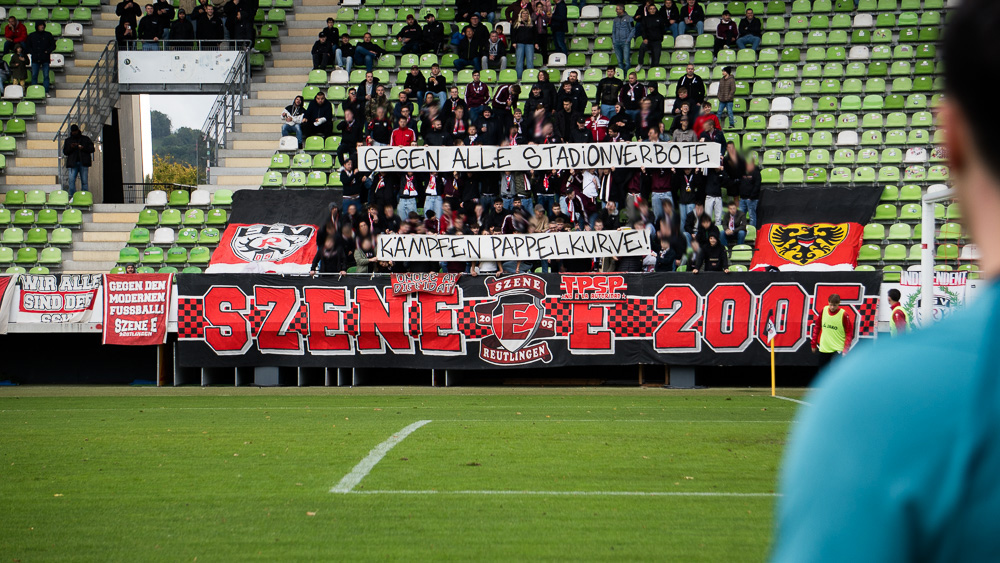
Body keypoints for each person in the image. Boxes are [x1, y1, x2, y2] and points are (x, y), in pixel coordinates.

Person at [808, 293, 854, 371]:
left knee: (836, 371)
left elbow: (849, 332)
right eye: (831, 305)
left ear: (839, 304)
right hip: (825, 347)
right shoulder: (824, 310)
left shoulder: (843, 314)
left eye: (835, 305)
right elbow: (817, 327)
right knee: (822, 371)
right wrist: (813, 343)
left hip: (838, 348)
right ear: (828, 302)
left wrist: (846, 349)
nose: (832, 307)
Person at [62, 124, 95, 196]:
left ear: (78, 130)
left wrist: (83, 148)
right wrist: (71, 147)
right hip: (73, 163)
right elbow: (65, 152)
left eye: (75, 131)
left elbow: (92, 149)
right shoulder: (68, 141)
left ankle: (83, 197)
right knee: (72, 181)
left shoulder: (85, 139)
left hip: (82, 163)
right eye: (73, 132)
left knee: (84, 182)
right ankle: (74, 197)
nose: (74, 133)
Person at [26, 22, 54, 95]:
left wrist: (47, 51)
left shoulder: (48, 35)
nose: (42, 26)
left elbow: (53, 45)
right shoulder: (32, 35)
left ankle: (46, 91)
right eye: (40, 25)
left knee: (46, 75)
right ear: (37, 26)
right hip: (35, 58)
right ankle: (33, 92)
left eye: (43, 25)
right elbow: (28, 46)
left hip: (45, 58)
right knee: (34, 75)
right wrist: (33, 52)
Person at [511, 9, 537, 80]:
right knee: (519, 62)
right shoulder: (517, 23)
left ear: (528, 15)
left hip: (529, 44)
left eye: (526, 13)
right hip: (519, 44)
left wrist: (536, 43)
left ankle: (530, 77)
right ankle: (519, 78)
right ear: (521, 14)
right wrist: (513, 42)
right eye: (523, 13)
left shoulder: (532, 23)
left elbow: (535, 34)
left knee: (530, 62)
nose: (525, 15)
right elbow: (513, 34)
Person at [636, 4, 664, 70]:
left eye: (654, 8)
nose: (652, 10)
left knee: (656, 60)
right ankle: (640, 63)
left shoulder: (659, 18)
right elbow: (643, 29)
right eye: (650, 9)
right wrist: (644, 38)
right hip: (648, 40)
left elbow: (662, 29)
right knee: (642, 47)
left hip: (657, 41)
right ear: (648, 10)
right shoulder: (645, 18)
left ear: (655, 9)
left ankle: (652, 75)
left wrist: (660, 38)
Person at [611, 4, 634, 74]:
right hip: (617, 42)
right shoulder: (615, 19)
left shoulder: (629, 18)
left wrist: (628, 40)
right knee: (619, 61)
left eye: (617, 9)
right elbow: (613, 31)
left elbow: (633, 30)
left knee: (626, 60)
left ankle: (627, 76)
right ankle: (621, 75)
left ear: (622, 10)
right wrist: (614, 41)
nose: (616, 10)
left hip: (625, 42)